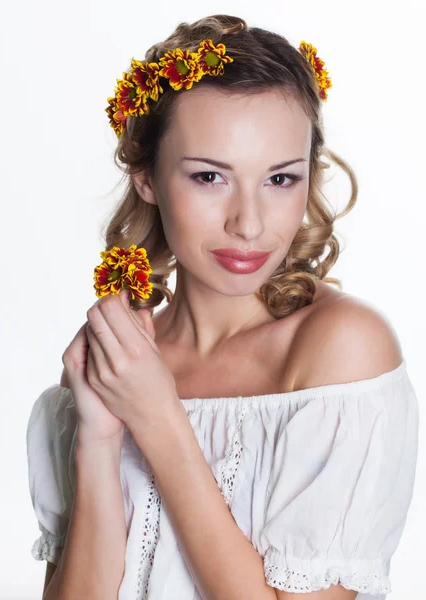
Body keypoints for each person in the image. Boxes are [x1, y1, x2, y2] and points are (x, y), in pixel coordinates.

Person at [26, 14, 419, 600]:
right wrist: (101, 440)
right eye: (210, 176)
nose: (249, 223)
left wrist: (159, 418)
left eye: (280, 180)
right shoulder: (114, 367)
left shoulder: (339, 352)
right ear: (147, 177)